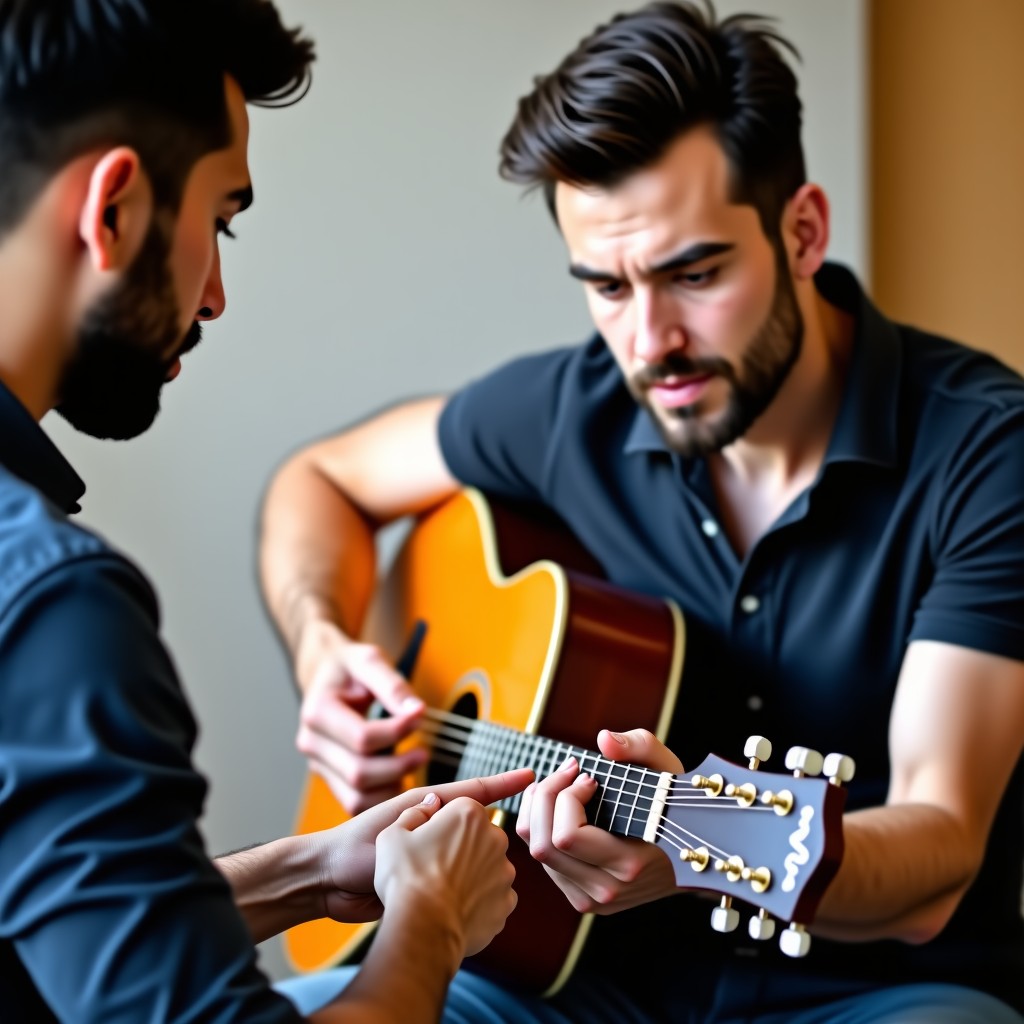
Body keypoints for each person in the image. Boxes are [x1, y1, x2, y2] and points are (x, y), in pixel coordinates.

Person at [257, 1, 1024, 1022]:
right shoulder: (566, 410)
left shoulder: (984, 452)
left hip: (879, 993)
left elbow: (937, 843)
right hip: (573, 981)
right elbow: (321, 480)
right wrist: (325, 656)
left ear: (801, 231)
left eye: (692, 274)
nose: (649, 340)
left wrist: (695, 848)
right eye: (605, 286)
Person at [0, 2, 535, 1021]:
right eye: (220, 219)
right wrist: (430, 916)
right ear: (111, 208)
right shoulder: (52, 609)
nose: (215, 298)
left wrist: (303, 875)